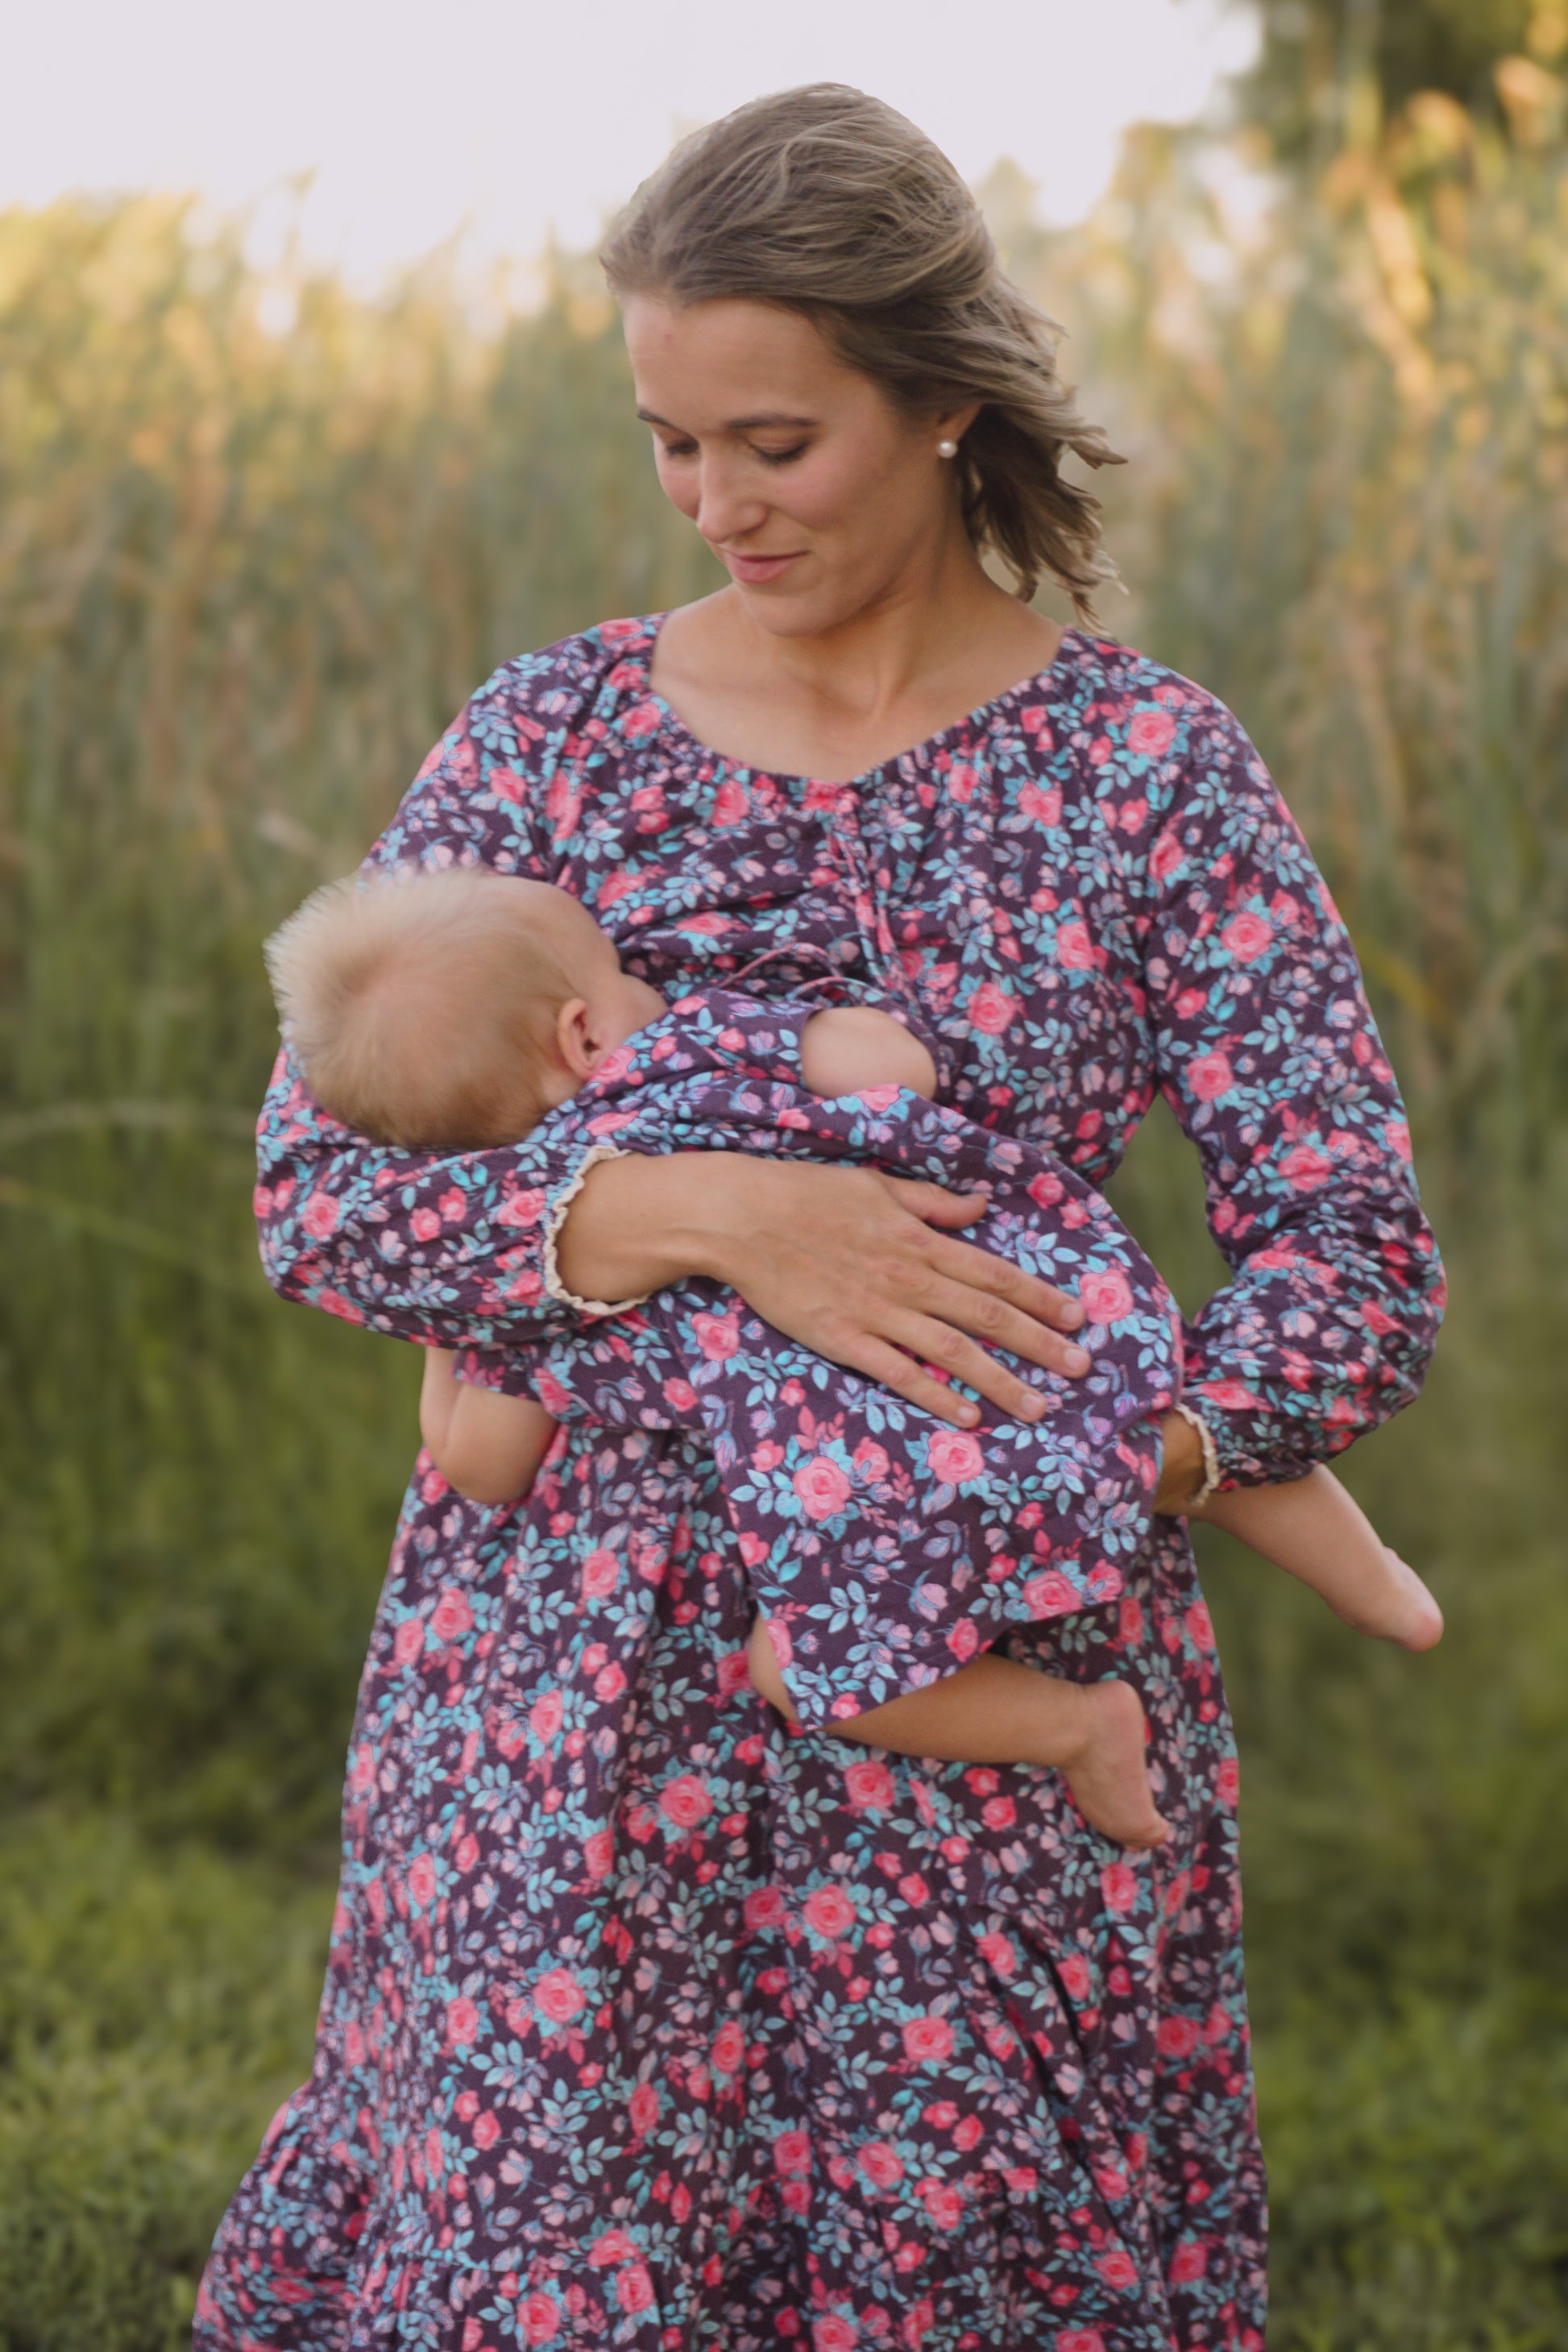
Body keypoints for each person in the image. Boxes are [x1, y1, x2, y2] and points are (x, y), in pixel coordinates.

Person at [198, 85, 1446, 2352]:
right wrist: (696, 1209)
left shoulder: (1146, 775)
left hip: (988, 1680)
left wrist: (1104, 1458)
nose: (712, 502)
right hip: (566, 1710)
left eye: (773, 439)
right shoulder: (553, 737)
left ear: (941, 392)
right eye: (670, 443)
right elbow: (320, 1189)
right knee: (567, 2250)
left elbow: (1351, 1257)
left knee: (964, 2254)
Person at [266, 865, 1441, 1848]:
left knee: (801, 1669)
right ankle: (1372, 1578)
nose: (644, 986)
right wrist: (833, 1035)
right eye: (623, 976)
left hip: (865, 1508)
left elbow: (482, 1465)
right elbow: (898, 1070)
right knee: (1160, 1429)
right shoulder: (707, 1041)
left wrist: (449, 1335)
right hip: (1015, 1312)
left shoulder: (553, 1273)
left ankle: (1077, 1727)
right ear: (581, 1028)